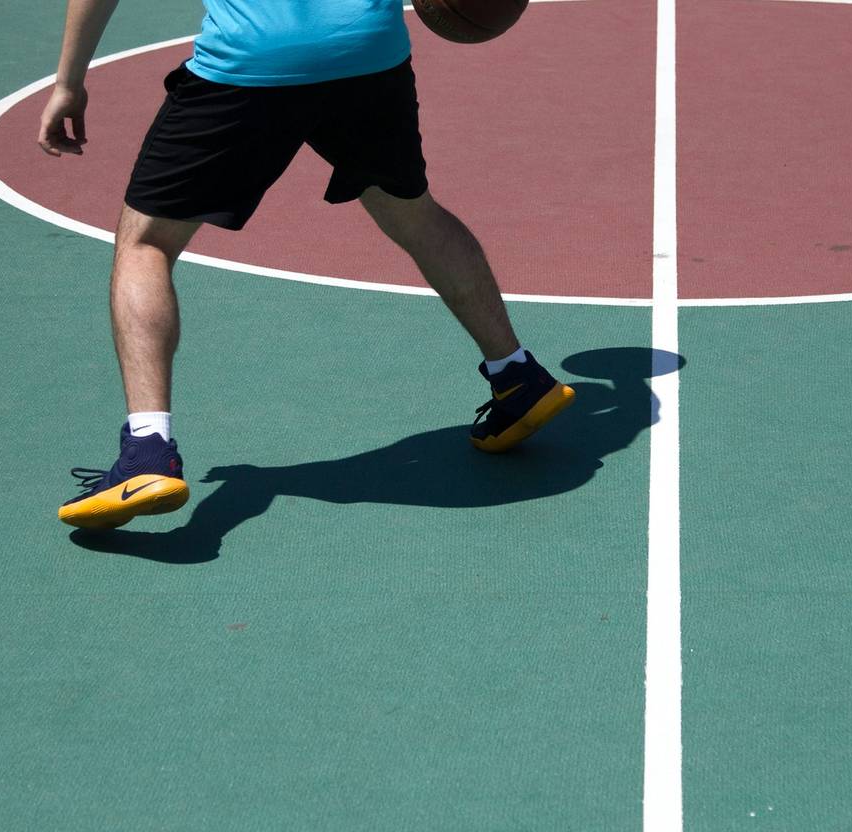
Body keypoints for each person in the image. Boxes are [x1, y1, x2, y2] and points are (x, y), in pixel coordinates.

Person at [37, 0, 573, 530]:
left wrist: (69, 81)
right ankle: (517, 374)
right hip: (368, 53)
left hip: (253, 58)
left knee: (147, 245)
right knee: (416, 215)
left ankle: (148, 451)